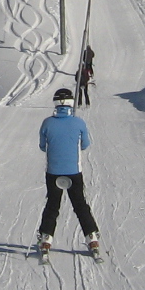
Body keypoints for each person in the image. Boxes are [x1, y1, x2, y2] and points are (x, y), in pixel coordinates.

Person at [36, 88, 100, 261]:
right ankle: (92, 237)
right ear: (71, 103)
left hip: (53, 172)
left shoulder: (47, 123)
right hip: (74, 172)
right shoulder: (79, 123)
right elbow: (85, 145)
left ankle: (45, 238)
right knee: (80, 205)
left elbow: (42, 146)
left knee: (52, 206)